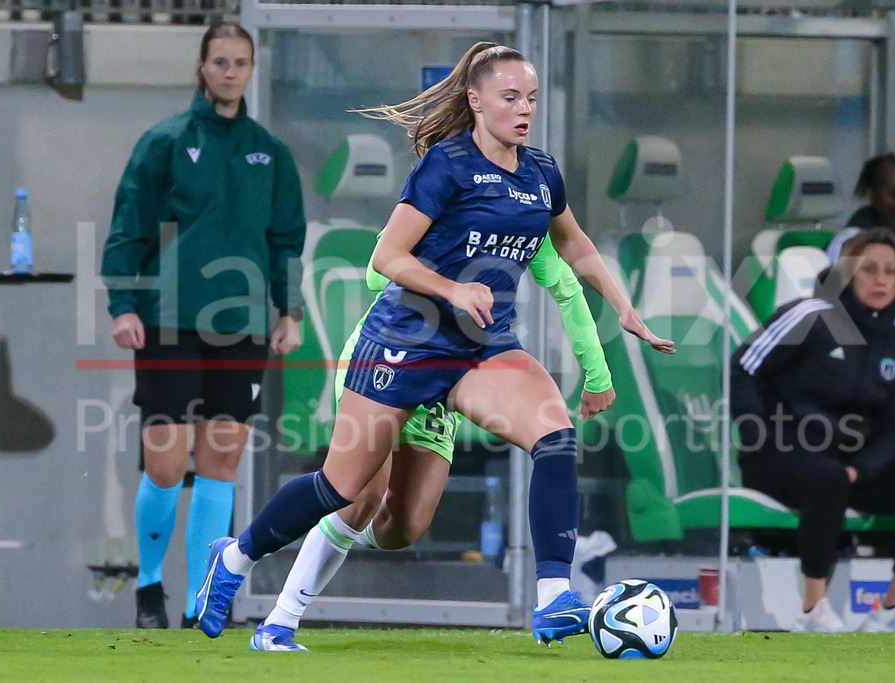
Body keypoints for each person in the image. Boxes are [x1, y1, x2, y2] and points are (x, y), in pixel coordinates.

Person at [194, 42, 673, 646]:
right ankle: (235, 558)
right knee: (342, 490)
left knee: (552, 435)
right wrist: (452, 288)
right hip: (405, 341)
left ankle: (554, 598)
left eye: (530, 98)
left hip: (482, 347)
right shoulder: (445, 166)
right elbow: (386, 259)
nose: (524, 110)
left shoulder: (541, 172)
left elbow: (573, 244)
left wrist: (623, 306)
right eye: (509, 98)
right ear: (475, 101)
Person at [249, 232, 615, 651]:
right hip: (390, 353)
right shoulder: (437, 195)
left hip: (453, 368)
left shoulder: (525, 212)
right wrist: (447, 273)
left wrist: (597, 372)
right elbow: (376, 273)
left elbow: (566, 285)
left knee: (402, 527)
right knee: (357, 497)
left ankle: (334, 531)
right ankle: (275, 618)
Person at [100, 22, 306, 629]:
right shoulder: (163, 142)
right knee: (165, 463)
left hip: (241, 326)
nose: (231, 71)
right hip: (166, 320)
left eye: (241, 62)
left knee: (221, 462)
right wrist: (123, 305)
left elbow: (285, 241)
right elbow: (128, 229)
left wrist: (288, 310)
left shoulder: (270, 152)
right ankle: (149, 587)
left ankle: (199, 605)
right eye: (220, 61)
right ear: (201, 66)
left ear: (250, 70)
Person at [732, 228, 895, 633]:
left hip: (851, 466)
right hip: (781, 455)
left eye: (891, 271)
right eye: (869, 269)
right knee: (829, 478)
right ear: (848, 272)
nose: (881, 279)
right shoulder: (809, 315)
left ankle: (894, 604)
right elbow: (744, 367)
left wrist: (863, 470)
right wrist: (756, 435)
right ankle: (814, 605)